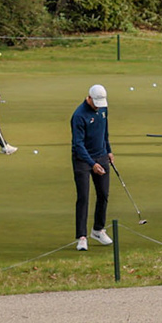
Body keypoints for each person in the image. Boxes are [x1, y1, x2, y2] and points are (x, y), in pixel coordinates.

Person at [70, 84, 113, 251]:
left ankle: (98, 230)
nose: (98, 105)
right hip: (82, 160)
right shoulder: (79, 115)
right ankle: (81, 236)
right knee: (83, 197)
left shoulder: (103, 109)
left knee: (103, 194)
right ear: (88, 98)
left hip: (101, 156)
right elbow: (78, 145)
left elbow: (105, 132)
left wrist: (108, 151)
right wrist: (92, 164)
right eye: (95, 102)